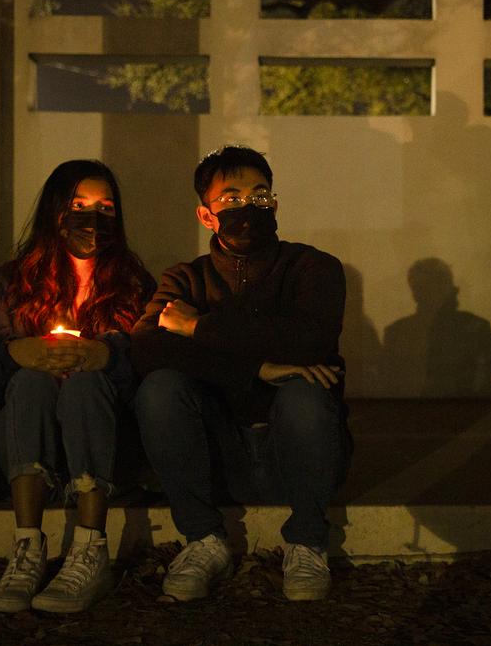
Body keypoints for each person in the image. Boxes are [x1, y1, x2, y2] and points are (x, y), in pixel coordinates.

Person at [131, 145, 351, 602]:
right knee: (160, 387)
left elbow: (310, 340)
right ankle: (203, 540)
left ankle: (309, 541)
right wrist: (257, 368)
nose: (249, 207)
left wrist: (197, 326)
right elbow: (148, 348)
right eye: (231, 199)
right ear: (206, 215)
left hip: (295, 447)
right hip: (215, 451)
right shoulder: (183, 279)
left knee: (305, 389)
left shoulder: (314, 267)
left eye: (260, 195)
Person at [0, 160, 154, 614]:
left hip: (102, 440)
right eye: (78, 205)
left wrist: (108, 355)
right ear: (55, 211)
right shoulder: (13, 282)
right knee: (32, 382)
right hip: (24, 437)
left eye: (105, 206)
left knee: (84, 386)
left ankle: (90, 549)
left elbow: (156, 371)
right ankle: (27, 548)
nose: (92, 218)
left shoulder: (133, 285)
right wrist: (15, 354)